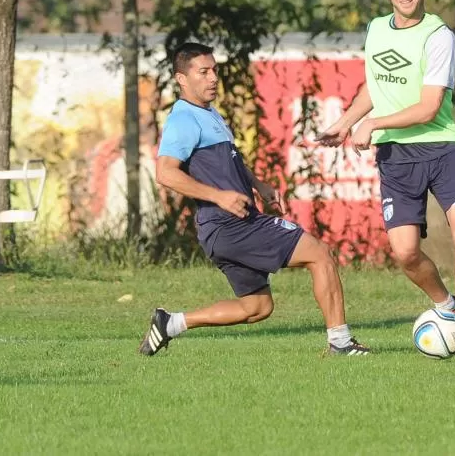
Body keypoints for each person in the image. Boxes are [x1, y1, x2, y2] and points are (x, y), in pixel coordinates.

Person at [138, 42, 370, 356]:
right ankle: (340, 343)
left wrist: (260, 185)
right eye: (203, 72)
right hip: (229, 225)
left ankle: (171, 324)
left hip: (226, 228)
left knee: (257, 307)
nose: (212, 78)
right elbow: (166, 173)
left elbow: (230, 162)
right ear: (181, 79)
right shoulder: (183, 119)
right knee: (319, 253)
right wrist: (218, 196)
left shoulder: (209, 114)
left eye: (214, 70)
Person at [317, 0, 455, 356]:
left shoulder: (439, 35)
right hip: (397, 156)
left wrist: (372, 124)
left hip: (441, 146)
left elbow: (429, 108)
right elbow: (375, 87)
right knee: (406, 253)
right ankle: (447, 305)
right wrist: (345, 123)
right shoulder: (376, 29)